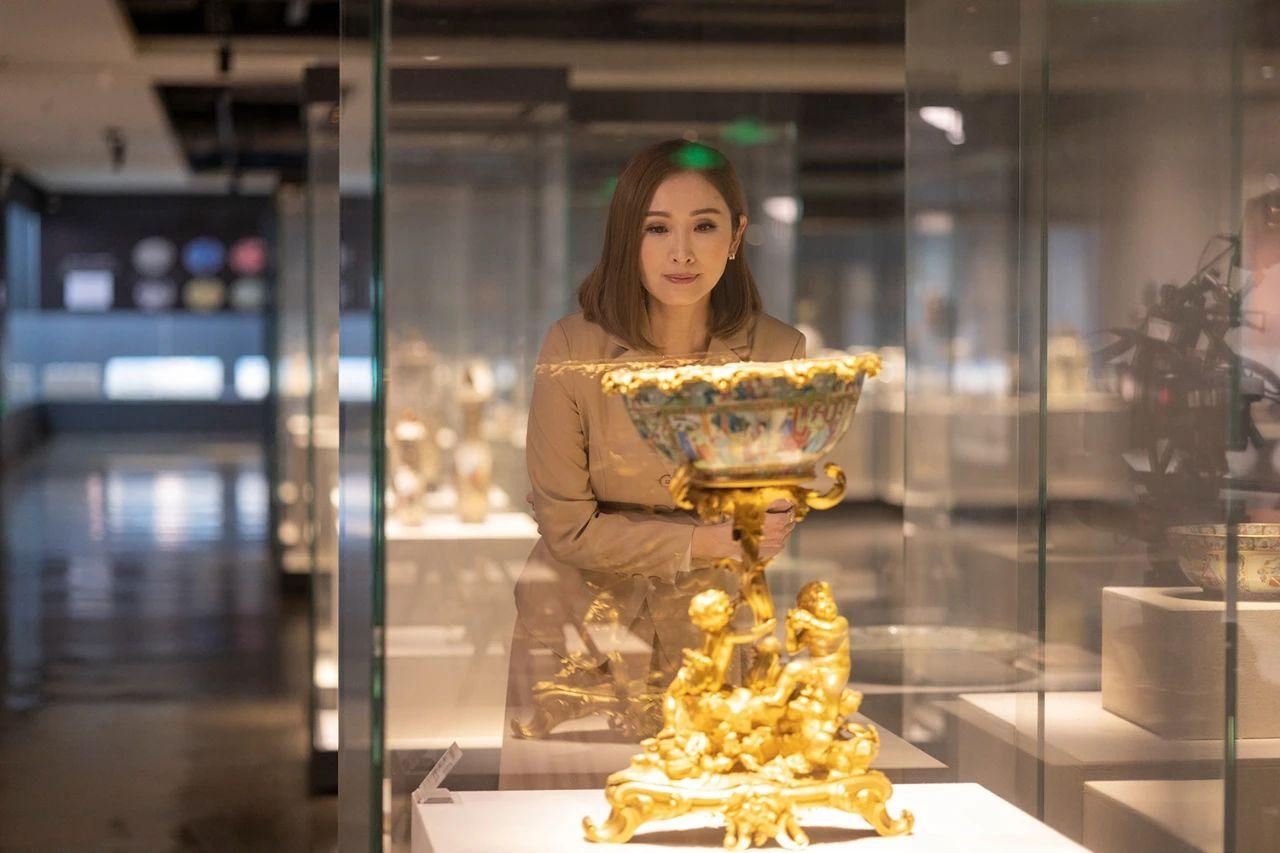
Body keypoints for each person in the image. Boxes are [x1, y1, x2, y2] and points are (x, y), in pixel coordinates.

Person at [501, 139, 806, 786]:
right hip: (577, 636)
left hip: (713, 633)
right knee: (558, 819)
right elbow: (567, 529)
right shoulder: (573, 346)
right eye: (657, 228)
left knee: (708, 816)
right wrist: (704, 541)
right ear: (626, 237)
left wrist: (771, 515)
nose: (681, 253)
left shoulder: (778, 350)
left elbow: (770, 517)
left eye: (704, 227)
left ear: (736, 235)